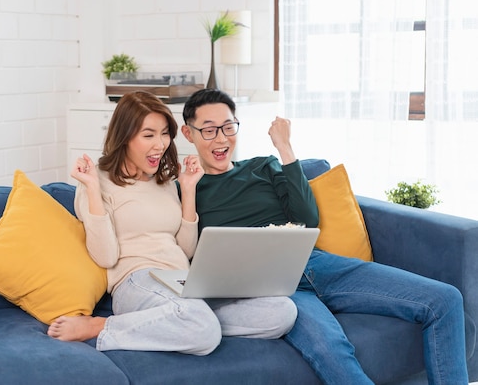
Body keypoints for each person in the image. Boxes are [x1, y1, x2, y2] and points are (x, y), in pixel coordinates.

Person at [180, 88, 469, 384]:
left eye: (228, 127)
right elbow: (184, 250)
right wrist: (188, 190)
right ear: (188, 134)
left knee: (445, 299)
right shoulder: (186, 187)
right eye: (209, 130)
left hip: (318, 263)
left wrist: (285, 149)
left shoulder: (262, 167)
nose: (221, 138)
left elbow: (306, 219)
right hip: (272, 288)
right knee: (334, 350)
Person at [47, 90, 297, 355]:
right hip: (137, 280)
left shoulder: (164, 182)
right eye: (149, 135)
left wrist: (188, 190)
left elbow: (186, 251)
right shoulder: (97, 181)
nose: (161, 144)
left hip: (183, 280)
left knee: (281, 312)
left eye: (165, 133)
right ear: (125, 137)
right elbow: (106, 257)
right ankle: (102, 326)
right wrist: (93, 191)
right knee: (202, 328)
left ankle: (180, 324)